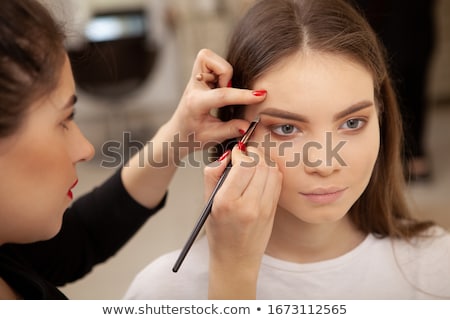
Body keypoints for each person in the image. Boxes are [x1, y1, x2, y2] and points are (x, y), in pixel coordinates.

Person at [124, 0, 450, 299]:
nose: (324, 163)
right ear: (238, 136)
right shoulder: (162, 292)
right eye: (286, 129)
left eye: (352, 123)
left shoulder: (437, 267)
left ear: (381, 117)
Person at [0, 0, 271, 299]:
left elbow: (80, 239)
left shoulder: (13, 254)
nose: (86, 149)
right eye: (64, 121)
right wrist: (233, 271)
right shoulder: (159, 289)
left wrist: (177, 137)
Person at [354, 0, 436, 182]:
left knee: (412, 72)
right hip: (364, 15)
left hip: (409, 18)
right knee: (365, 75)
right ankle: (374, 151)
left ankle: (412, 149)